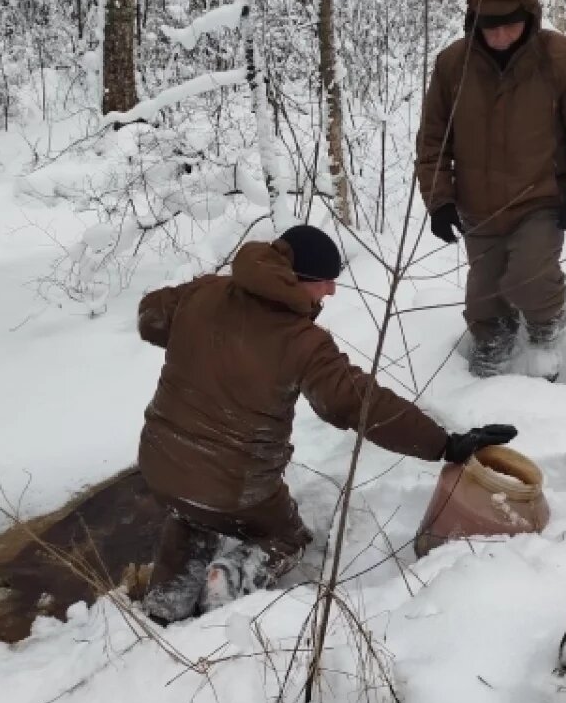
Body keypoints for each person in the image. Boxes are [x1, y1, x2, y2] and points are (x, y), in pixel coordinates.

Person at [136, 224, 517, 623]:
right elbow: (361, 403)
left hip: (160, 462)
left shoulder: (204, 293)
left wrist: (202, 330)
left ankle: (167, 601)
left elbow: (149, 317)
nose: (331, 291)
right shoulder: (301, 341)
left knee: (192, 512)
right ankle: (230, 581)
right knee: (285, 537)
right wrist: (443, 444)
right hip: (236, 486)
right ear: (295, 279)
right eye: (324, 281)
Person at [416, 0, 566, 379]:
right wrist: (439, 200)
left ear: (530, 16)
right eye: (490, 27)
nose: (501, 36)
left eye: (511, 25)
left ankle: (547, 329)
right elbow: (433, 140)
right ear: (474, 22)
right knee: (483, 299)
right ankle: (494, 343)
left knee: (529, 278)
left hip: (539, 200)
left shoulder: (560, 58)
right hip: (478, 207)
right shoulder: (453, 65)